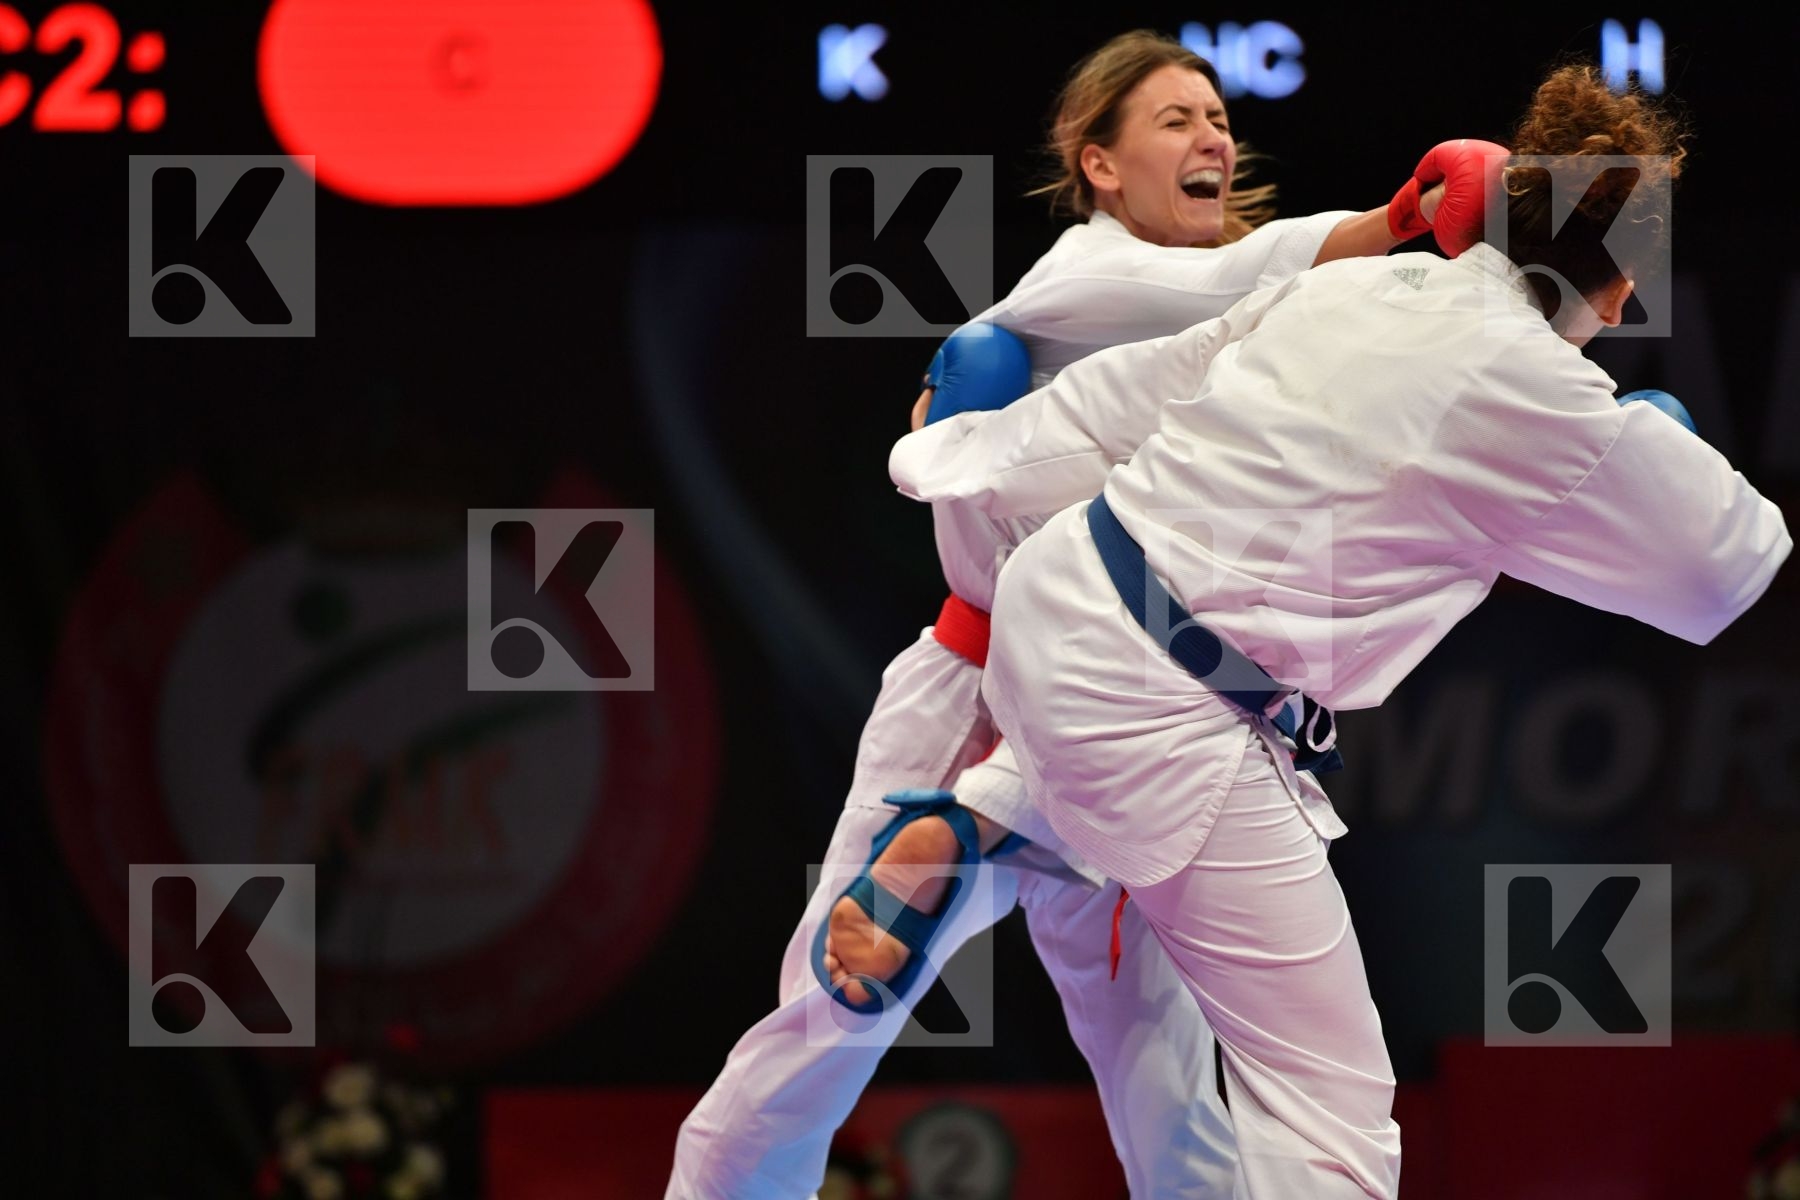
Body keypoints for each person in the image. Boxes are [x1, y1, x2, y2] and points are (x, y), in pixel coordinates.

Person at [890, 64, 1792, 1198]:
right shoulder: (1553, 410)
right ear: (1619, 291)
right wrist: (1662, 436)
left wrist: (943, 456)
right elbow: (1728, 572)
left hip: (1056, 600)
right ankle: (1006, 813)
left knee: (1128, 917)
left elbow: (1130, 392)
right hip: (1170, 713)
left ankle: (998, 809)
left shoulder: (1360, 293)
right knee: (1329, 1112)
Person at [667, 30, 1494, 1199]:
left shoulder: (1261, 330)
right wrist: (1409, 217)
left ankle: (968, 833)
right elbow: (1237, 281)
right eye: (1175, 120)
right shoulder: (1080, 278)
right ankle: (955, 829)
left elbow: (1309, 333)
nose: (1212, 136)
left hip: (1144, 717)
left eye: (1219, 119)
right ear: (1097, 163)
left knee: (1162, 1082)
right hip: (978, 699)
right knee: (836, 1014)